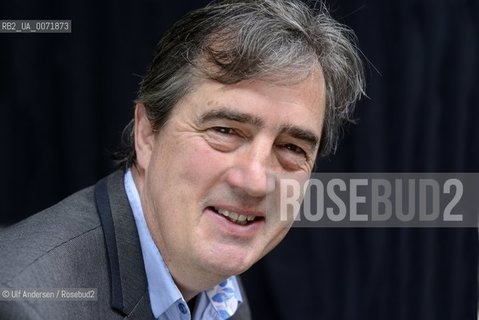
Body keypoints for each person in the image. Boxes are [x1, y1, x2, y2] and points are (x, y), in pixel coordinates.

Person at [0, 0, 364, 319]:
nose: (256, 181)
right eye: (224, 130)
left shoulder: (219, 291)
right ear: (146, 134)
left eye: (291, 148)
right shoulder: (25, 304)